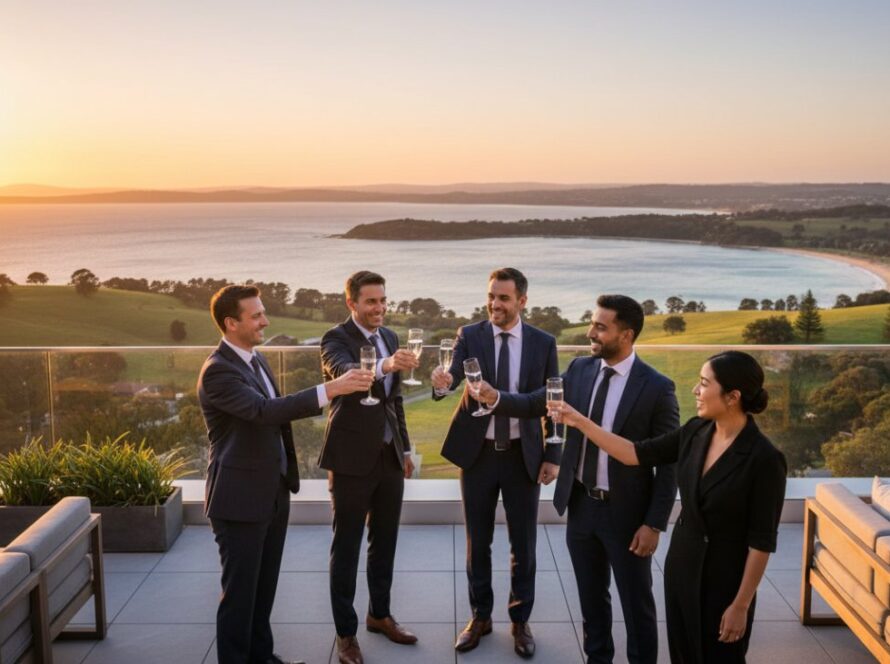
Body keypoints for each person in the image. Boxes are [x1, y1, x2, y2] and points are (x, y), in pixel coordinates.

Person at [548, 350, 787, 664]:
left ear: (732, 396)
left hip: (725, 577)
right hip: (682, 565)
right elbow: (633, 453)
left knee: (720, 656)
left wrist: (741, 605)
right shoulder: (696, 431)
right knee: (683, 653)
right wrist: (578, 420)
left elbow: (761, 542)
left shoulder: (765, 459)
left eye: (704, 384)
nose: (695, 391)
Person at [478, 294, 679, 664]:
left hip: (629, 515)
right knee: (591, 601)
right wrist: (495, 398)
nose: (591, 332)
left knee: (637, 607)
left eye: (601, 327)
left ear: (627, 334)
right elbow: (536, 401)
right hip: (582, 505)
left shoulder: (656, 387)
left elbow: (669, 465)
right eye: (592, 323)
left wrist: (654, 523)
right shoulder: (580, 370)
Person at [198, 284, 373, 664]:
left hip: (271, 491)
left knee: (263, 591)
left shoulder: (253, 359)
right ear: (231, 323)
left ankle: (263, 657)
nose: (266, 320)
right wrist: (333, 389)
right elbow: (264, 411)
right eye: (257, 315)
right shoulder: (218, 372)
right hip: (239, 499)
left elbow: (271, 416)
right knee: (239, 597)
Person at [431, 267, 559, 658]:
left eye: (503, 298)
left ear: (522, 301)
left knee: (524, 544)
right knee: (478, 542)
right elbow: (452, 376)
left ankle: (520, 622)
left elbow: (551, 398)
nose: (494, 304)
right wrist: (441, 382)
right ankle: (480, 616)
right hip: (478, 455)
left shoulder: (543, 342)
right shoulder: (470, 335)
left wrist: (553, 453)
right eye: (491, 296)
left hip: (524, 455)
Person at [319, 270, 420, 664]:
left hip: (389, 458)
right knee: (346, 547)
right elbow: (346, 376)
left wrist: (406, 448)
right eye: (371, 302)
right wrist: (387, 364)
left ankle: (380, 615)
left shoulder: (391, 336)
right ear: (352, 304)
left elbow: (394, 402)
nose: (379, 308)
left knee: (385, 541)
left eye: (383, 301)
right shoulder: (334, 339)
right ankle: (346, 635)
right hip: (349, 460)